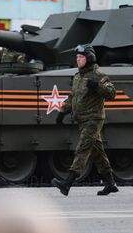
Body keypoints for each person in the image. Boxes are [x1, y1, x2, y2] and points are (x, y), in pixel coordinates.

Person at [51, 44, 118, 196]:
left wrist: (97, 87)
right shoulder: (78, 76)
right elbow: (73, 97)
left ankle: (67, 184)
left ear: (89, 58)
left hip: (93, 119)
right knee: (97, 152)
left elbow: (112, 94)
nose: (78, 60)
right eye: (77, 57)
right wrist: (62, 112)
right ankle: (110, 183)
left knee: (82, 149)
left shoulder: (98, 75)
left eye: (81, 57)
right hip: (82, 120)